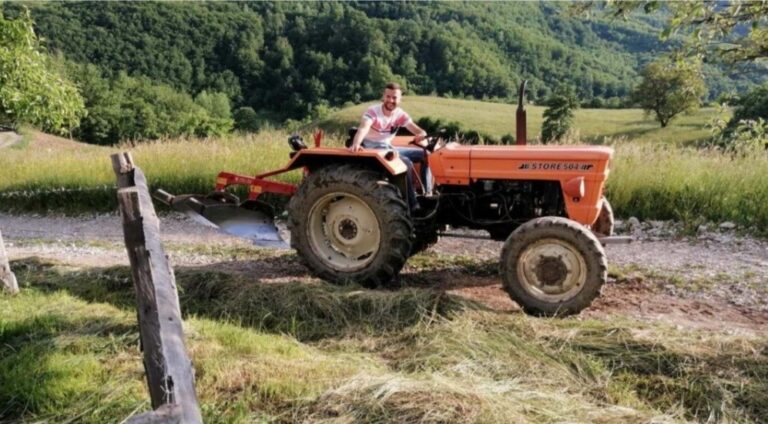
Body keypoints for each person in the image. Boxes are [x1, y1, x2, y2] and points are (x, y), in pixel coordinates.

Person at [348, 82, 430, 211]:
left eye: (394, 97)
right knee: (406, 162)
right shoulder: (373, 112)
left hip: (388, 147)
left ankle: (428, 193)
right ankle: (412, 204)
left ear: (400, 99)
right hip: (373, 148)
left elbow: (418, 130)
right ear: (383, 96)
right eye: (388, 96)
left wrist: (422, 134)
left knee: (427, 155)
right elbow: (363, 128)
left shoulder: (400, 115)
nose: (391, 100)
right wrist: (356, 143)